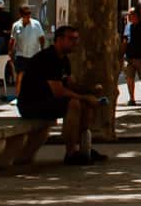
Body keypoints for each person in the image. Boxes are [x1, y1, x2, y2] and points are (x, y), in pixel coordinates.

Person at [10, 24, 103, 168]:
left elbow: (71, 84)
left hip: (48, 101)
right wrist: (84, 97)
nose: (75, 42)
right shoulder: (48, 58)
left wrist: (90, 91)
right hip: (32, 104)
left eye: (76, 39)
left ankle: (85, 148)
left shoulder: (64, 60)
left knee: (85, 104)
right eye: (71, 39)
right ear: (59, 39)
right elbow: (59, 91)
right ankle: (70, 153)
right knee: (74, 103)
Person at [122, 3, 141, 104]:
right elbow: (125, 40)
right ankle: (132, 98)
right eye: (128, 14)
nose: (129, 16)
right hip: (129, 57)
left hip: (140, 58)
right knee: (129, 78)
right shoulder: (128, 26)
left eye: (131, 14)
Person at [9, 6, 45, 86]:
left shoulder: (36, 24)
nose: (28, 15)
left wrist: (42, 50)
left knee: (34, 77)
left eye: (29, 13)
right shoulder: (16, 25)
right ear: (21, 14)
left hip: (34, 55)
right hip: (21, 55)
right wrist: (10, 51)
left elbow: (42, 38)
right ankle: (19, 97)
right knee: (20, 77)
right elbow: (12, 40)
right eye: (26, 13)